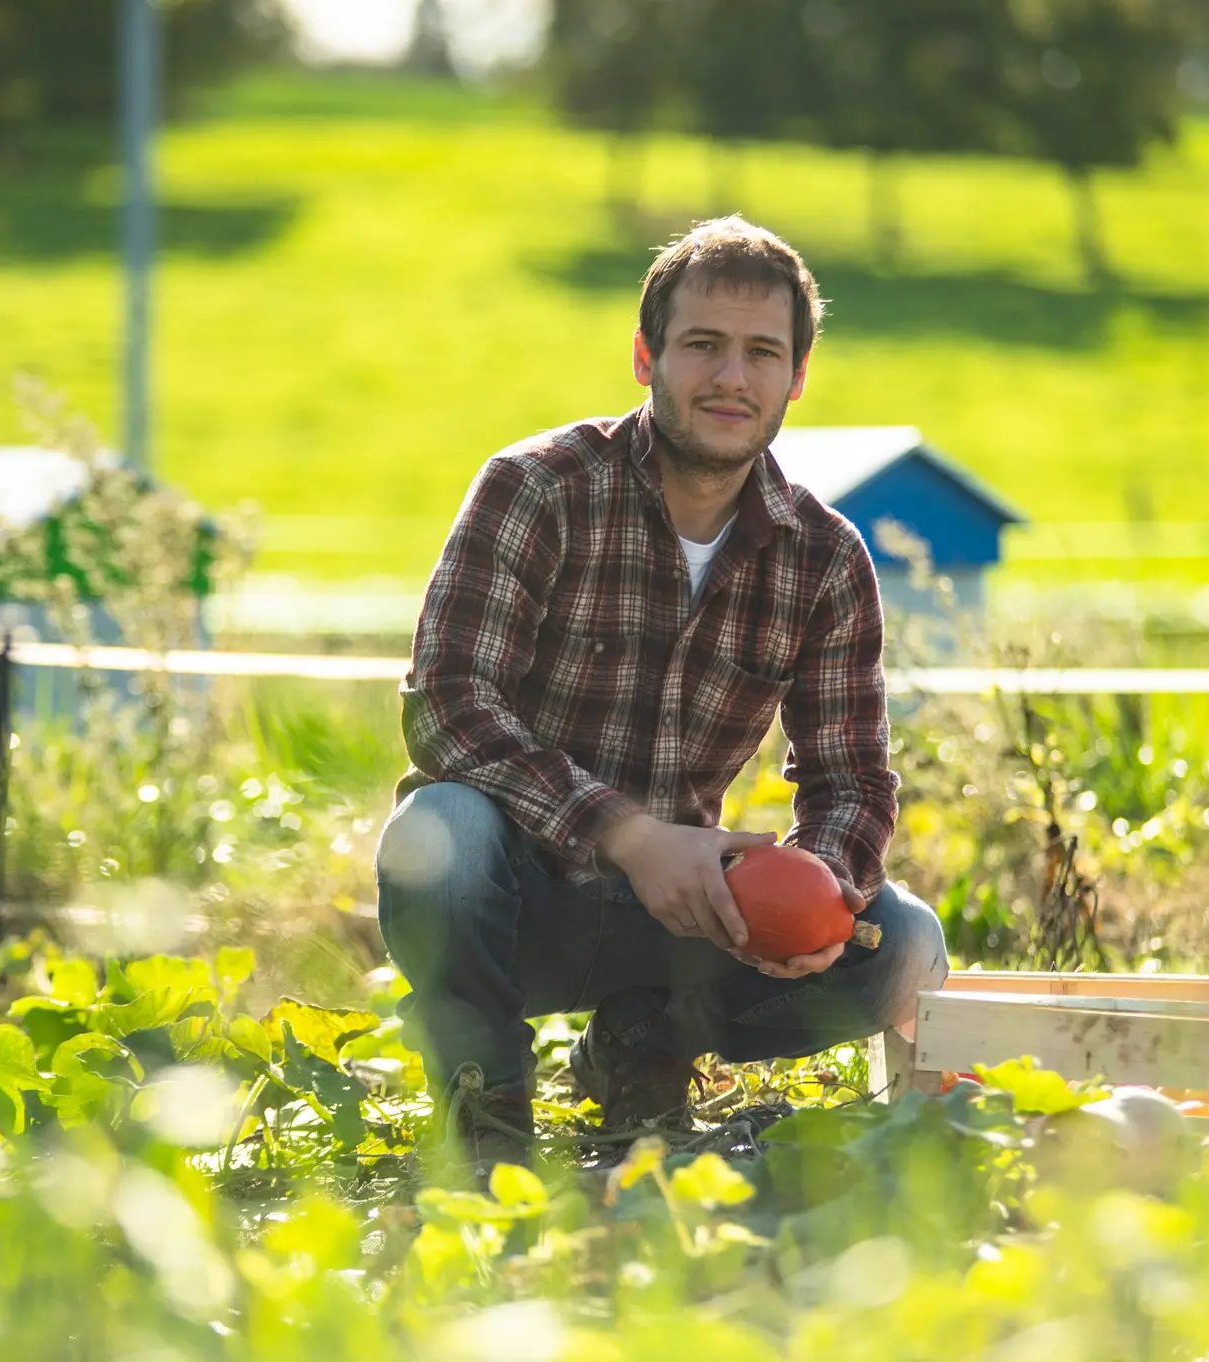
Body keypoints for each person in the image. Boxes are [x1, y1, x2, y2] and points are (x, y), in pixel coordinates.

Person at [376, 216, 948, 1170]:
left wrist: (823, 892)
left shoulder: (825, 557)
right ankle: (488, 1118)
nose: (732, 377)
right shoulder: (539, 488)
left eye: (763, 352)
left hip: (686, 919)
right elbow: (447, 702)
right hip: (522, 899)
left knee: (899, 941)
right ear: (647, 356)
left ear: (796, 377)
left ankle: (641, 1048)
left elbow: (850, 779)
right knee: (442, 829)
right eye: (703, 346)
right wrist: (630, 836)